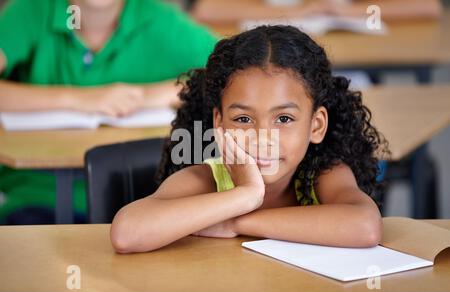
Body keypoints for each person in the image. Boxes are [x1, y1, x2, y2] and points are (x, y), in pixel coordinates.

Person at [110, 25, 389, 253]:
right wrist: (244, 195)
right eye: (243, 119)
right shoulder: (206, 179)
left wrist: (237, 223)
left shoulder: (321, 176)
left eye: (284, 119)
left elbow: (365, 227)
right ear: (219, 123)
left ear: (316, 126)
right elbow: (127, 233)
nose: (263, 138)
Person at [0, 0, 217, 223]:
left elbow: (234, 73)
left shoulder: (156, 18)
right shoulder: (33, 11)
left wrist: (149, 95)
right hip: (38, 192)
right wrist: (81, 99)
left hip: (137, 197)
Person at [192, 0, 443, 25]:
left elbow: (428, 6)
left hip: (348, 69)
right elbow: (207, 10)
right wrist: (298, 11)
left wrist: (346, 10)